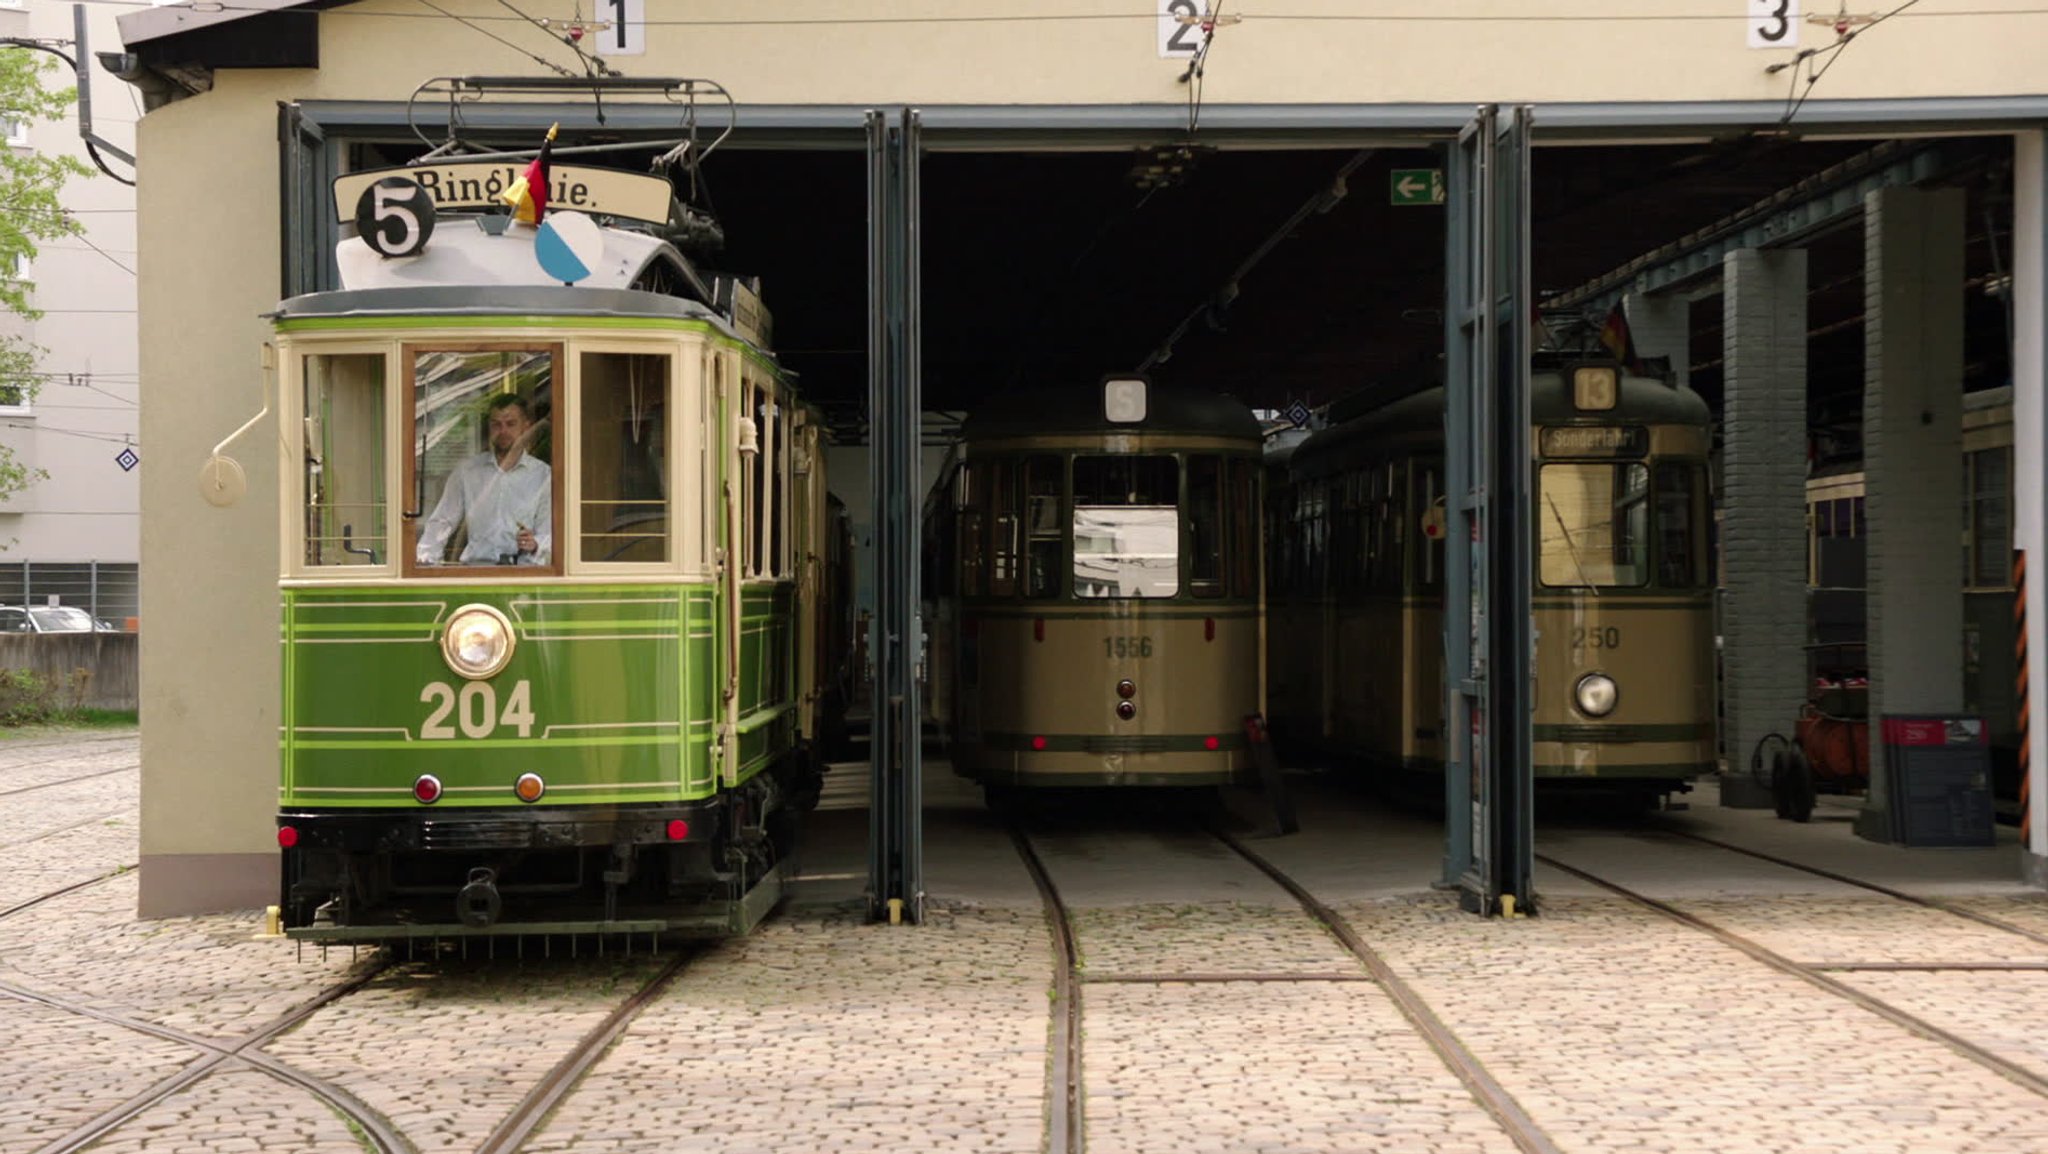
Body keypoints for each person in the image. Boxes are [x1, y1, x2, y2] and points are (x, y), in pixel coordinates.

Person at [415, 394, 552, 566]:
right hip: (477, 572)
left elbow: (550, 533)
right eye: (496, 424)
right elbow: (443, 520)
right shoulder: (467, 471)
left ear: (526, 427)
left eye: (510, 424)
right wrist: (424, 560)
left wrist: (535, 544)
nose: (503, 431)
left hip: (523, 574)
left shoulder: (543, 475)